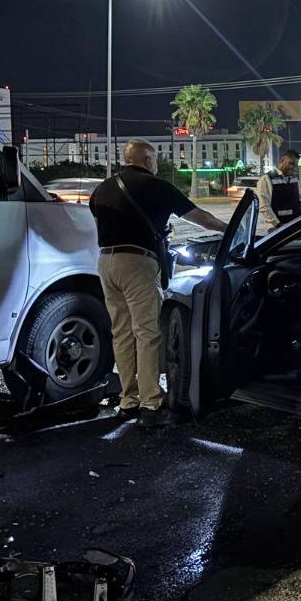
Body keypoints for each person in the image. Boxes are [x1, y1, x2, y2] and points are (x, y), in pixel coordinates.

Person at [89, 139, 229, 427]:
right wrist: (230, 229)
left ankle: (128, 401)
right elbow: (200, 217)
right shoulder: (156, 187)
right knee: (147, 332)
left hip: (106, 262)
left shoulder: (101, 189)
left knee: (122, 333)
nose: (155, 164)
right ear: (146, 160)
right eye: (153, 159)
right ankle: (150, 402)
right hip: (137, 263)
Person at [255, 149, 301, 232]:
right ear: (282, 160)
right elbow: (264, 206)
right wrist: (278, 225)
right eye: (291, 163)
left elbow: (299, 200)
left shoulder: (294, 179)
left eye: (295, 165)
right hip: (278, 230)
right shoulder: (266, 179)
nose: (293, 167)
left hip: (296, 228)